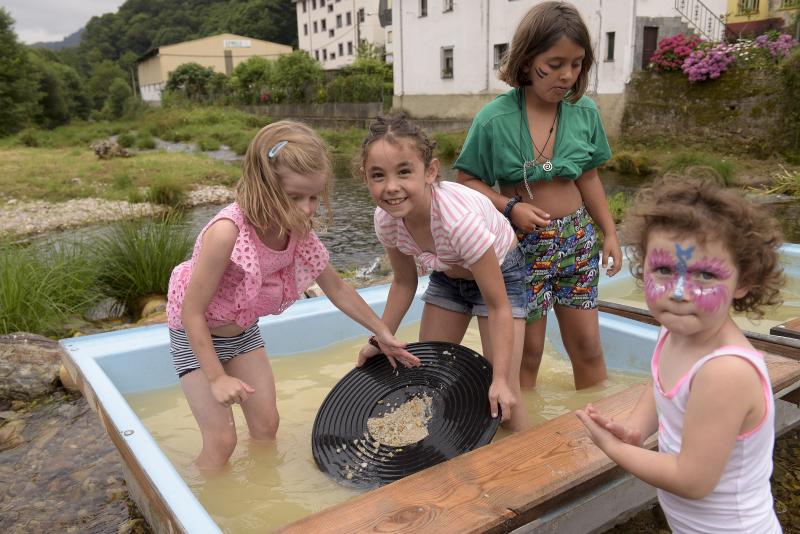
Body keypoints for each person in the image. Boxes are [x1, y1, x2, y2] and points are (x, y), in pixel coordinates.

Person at [166, 120, 415, 470]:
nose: (308, 208)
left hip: (243, 333)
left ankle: (262, 489)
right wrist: (217, 378)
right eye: (295, 197)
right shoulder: (226, 234)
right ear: (264, 187)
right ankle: (199, 503)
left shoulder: (296, 229)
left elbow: (338, 288)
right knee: (222, 441)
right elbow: (192, 313)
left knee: (267, 426)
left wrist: (382, 332)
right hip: (196, 336)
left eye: (314, 197)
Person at [576, 176, 784, 533]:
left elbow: (692, 480)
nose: (678, 292)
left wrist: (613, 447)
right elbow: (660, 385)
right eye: (663, 270)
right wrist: (635, 430)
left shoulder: (726, 372)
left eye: (704, 275)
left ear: (744, 280)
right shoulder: (675, 328)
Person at [454, 1, 621, 390]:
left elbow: (590, 178)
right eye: (555, 63)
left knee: (589, 347)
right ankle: (525, 440)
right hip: (521, 247)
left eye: (577, 64)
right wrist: (510, 207)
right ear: (527, 61)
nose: (567, 75)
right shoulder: (494, 119)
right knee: (526, 354)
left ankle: (597, 431)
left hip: (576, 243)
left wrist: (609, 232)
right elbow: (467, 182)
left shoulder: (585, 113)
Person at [356, 114, 530, 431]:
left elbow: (498, 305)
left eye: (404, 172)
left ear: (431, 171)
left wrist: (501, 378)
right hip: (449, 276)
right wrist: (380, 338)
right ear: (365, 178)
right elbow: (404, 282)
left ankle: (529, 463)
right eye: (378, 175)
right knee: (430, 381)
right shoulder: (386, 219)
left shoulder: (457, 221)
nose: (391, 187)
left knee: (504, 396)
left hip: (501, 277)